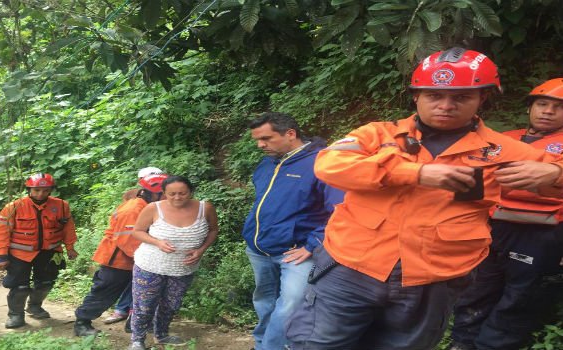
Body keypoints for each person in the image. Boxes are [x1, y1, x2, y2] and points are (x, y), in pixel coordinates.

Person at [285, 48, 563, 350]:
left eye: (460, 97)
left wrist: (553, 174)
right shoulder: (378, 135)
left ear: (482, 98)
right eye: (434, 95)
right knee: (320, 345)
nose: (446, 105)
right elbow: (329, 166)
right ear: (416, 96)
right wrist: (414, 173)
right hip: (350, 269)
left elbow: (553, 176)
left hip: (432, 279)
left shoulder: (504, 150)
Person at [449, 78, 563, 350]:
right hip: (490, 227)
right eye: (542, 104)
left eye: (557, 107)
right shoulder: (502, 140)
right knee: (476, 290)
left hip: (543, 234)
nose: (547, 111)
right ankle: (461, 343)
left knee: (520, 298)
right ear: (530, 108)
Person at [242, 112, 344, 350]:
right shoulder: (268, 162)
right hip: (258, 249)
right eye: (257, 139)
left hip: (295, 251)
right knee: (264, 301)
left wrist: (313, 243)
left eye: (266, 138)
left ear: (290, 134)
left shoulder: (322, 162)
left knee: (291, 305)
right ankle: (261, 343)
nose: (260, 145)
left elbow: (341, 209)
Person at [128, 175, 219, 350]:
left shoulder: (205, 208)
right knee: (145, 305)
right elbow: (137, 232)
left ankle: (161, 334)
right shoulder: (153, 208)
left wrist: (201, 250)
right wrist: (157, 242)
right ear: (164, 193)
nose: (177, 197)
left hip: (183, 268)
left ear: (191, 192)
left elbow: (214, 230)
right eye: (172, 194)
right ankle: (137, 340)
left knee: (171, 304)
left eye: (182, 193)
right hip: (150, 265)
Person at [73, 173, 168, 336]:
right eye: (166, 193)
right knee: (105, 292)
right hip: (118, 260)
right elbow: (127, 241)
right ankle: (82, 322)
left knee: (141, 293)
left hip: (136, 259)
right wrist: (149, 260)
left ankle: (134, 324)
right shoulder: (133, 209)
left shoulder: (148, 206)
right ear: (155, 193)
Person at [0, 172, 78, 328]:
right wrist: (2, 255)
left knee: (46, 283)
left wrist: (70, 247)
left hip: (49, 252)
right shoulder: (14, 207)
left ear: (51, 190)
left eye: (45, 190)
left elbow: (68, 228)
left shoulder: (61, 206)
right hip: (19, 254)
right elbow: (1, 232)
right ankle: (15, 315)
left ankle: (34, 306)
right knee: (20, 287)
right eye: (36, 190)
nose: (41, 194)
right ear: (29, 189)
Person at [104, 167, 165, 328]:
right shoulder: (135, 206)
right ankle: (129, 314)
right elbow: (127, 237)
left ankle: (127, 311)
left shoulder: (148, 202)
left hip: (137, 252)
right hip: (126, 254)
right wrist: (144, 258)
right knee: (136, 285)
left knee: (135, 284)